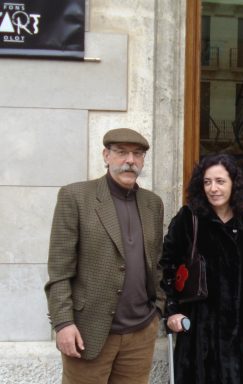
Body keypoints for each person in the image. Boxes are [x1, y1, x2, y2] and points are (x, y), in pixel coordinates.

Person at [45, 128, 164, 383]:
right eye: (121, 152)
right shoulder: (75, 197)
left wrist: (158, 311)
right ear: (106, 155)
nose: (130, 160)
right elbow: (59, 270)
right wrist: (63, 323)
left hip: (140, 333)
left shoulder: (152, 203)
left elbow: (157, 263)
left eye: (137, 154)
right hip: (88, 332)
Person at [161, 154, 243, 383]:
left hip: (238, 328)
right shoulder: (188, 218)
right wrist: (171, 311)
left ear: (234, 184)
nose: (213, 188)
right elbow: (166, 266)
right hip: (199, 328)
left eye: (220, 181)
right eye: (207, 182)